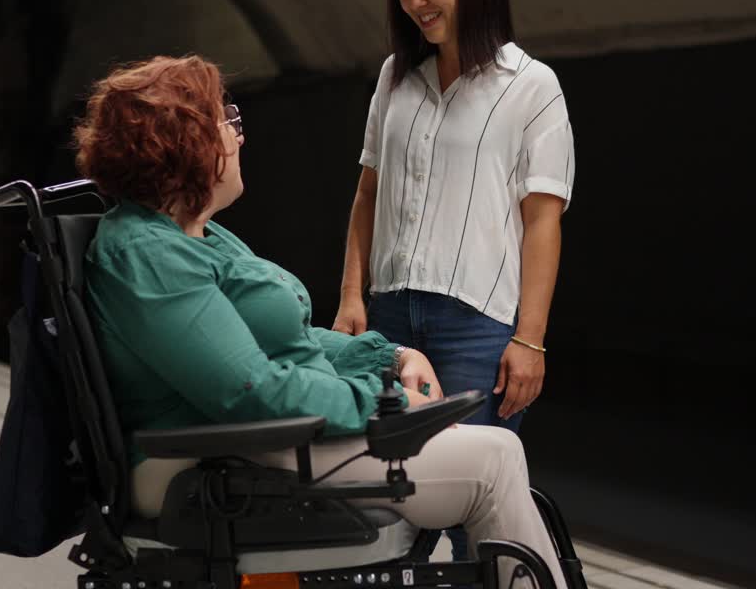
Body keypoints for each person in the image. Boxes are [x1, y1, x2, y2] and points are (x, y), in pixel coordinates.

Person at [73, 55, 566, 589]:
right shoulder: (148, 254)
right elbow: (248, 390)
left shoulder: (195, 234)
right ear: (187, 144)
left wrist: (390, 358)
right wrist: (389, 410)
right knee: (494, 462)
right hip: (204, 458)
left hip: (258, 442)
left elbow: (287, 340)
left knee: (494, 455)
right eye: (228, 122)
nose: (240, 137)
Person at [332, 0, 575, 559]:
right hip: (389, 322)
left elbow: (541, 224)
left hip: (478, 331)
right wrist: (352, 297)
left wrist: (531, 338)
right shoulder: (395, 79)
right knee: (384, 512)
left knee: (478, 518)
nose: (414, 0)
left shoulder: (532, 89)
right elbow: (367, 194)